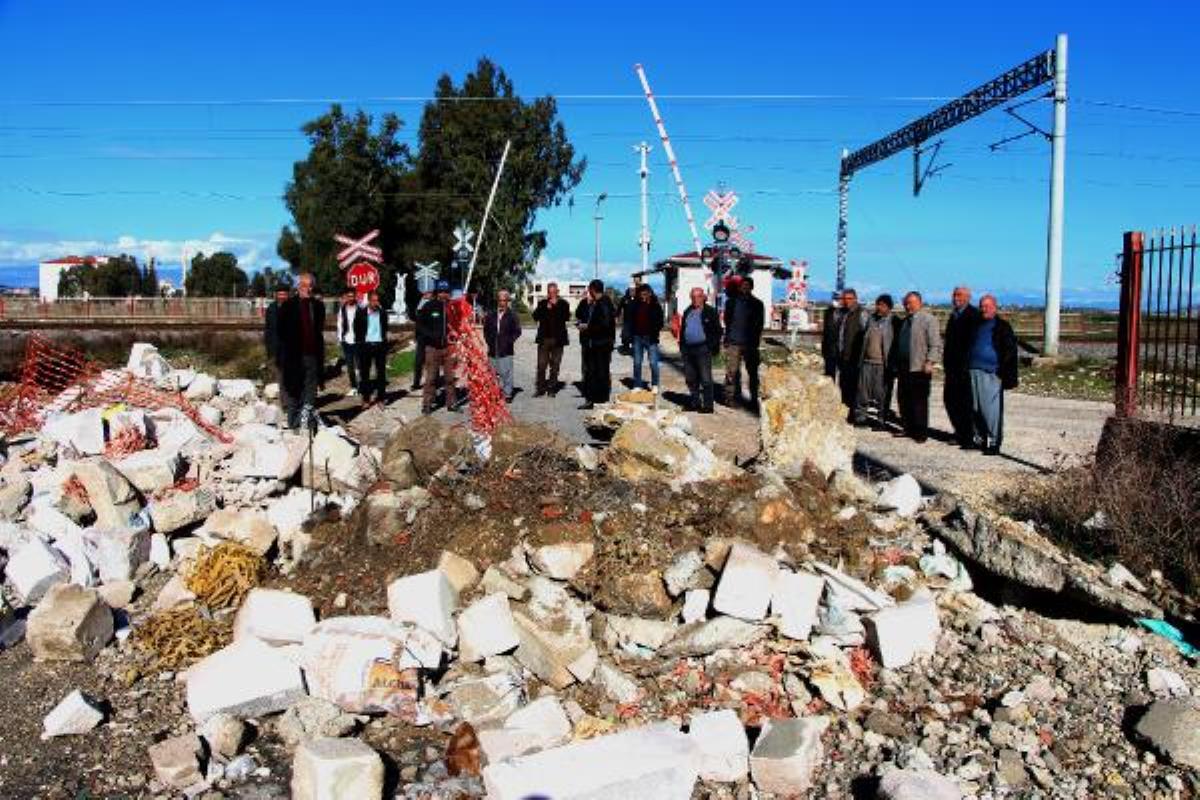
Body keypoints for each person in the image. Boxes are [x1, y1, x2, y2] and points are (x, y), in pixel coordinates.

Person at [968, 294, 1019, 455]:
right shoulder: (975, 325)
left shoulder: (1002, 326)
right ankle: (979, 439)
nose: (985, 309)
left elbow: (1010, 351)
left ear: (995, 307)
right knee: (974, 408)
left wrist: (1003, 371)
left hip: (991, 373)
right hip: (972, 371)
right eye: (982, 306)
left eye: (988, 306)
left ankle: (994, 442)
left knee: (990, 410)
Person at [277, 273, 326, 431]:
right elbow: (281, 332)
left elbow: (318, 332)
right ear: (298, 286)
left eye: (310, 285)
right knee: (294, 389)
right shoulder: (288, 306)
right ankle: (293, 422)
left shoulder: (318, 306)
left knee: (311, 389)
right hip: (294, 356)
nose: (308, 289)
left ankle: (306, 421)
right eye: (304, 285)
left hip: (312, 354)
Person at [892, 291, 941, 443]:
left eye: (911, 303)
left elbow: (935, 344)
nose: (908, 306)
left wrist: (930, 361)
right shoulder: (905, 321)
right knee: (903, 399)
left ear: (919, 303)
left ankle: (920, 433)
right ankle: (908, 428)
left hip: (920, 367)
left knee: (919, 402)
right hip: (904, 367)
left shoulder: (928, 319)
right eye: (906, 303)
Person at [943, 285, 981, 447]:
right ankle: (959, 431)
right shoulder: (954, 315)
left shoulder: (974, 315)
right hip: (951, 368)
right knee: (950, 400)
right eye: (954, 295)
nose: (955, 297)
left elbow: (973, 343)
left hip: (965, 368)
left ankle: (968, 435)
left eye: (959, 295)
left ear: (967, 297)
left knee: (965, 403)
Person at [723, 275, 765, 407]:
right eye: (742, 285)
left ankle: (753, 399)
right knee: (732, 372)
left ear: (751, 287)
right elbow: (727, 320)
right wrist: (727, 338)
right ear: (739, 287)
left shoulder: (757, 304)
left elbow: (759, 324)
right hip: (734, 342)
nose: (744, 287)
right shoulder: (731, 302)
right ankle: (731, 398)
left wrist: (756, 341)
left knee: (752, 372)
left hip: (750, 343)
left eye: (747, 285)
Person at [854, 294, 895, 427]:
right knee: (862, 393)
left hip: (883, 364)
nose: (878, 308)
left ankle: (881, 420)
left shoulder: (895, 322)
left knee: (881, 394)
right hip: (866, 362)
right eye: (878, 304)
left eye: (882, 305)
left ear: (889, 307)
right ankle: (861, 418)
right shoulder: (871, 320)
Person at [680, 286, 722, 413]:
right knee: (690, 378)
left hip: (703, 348)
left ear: (703, 297)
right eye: (693, 297)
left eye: (698, 296)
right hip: (688, 349)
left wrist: (711, 345)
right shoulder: (688, 311)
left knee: (705, 378)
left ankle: (708, 406)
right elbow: (683, 330)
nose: (695, 299)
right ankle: (695, 403)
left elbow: (718, 331)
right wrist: (682, 346)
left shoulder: (710, 311)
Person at [417, 280, 457, 414]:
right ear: (436, 293)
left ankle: (451, 403)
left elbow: (458, 324)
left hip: (448, 348)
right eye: (441, 292)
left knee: (450, 378)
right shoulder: (429, 306)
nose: (443, 295)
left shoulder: (452, 308)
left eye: (446, 292)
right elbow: (420, 325)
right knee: (431, 378)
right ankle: (427, 404)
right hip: (432, 348)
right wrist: (431, 336)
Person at [576, 279, 616, 409]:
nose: (588, 291)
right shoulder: (599, 302)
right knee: (594, 372)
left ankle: (599, 400)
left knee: (599, 372)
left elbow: (605, 325)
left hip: (601, 344)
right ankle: (594, 399)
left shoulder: (604, 303)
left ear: (593, 289)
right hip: (598, 343)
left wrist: (588, 327)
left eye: (589, 289)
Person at [351, 290, 389, 406]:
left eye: (377, 301)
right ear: (369, 301)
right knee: (365, 374)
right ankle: (366, 398)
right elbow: (356, 329)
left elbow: (385, 328)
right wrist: (359, 345)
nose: (375, 303)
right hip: (366, 346)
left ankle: (381, 398)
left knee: (381, 373)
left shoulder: (382, 313)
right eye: (373, 301)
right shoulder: (361, 313)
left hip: (379, 346)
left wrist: (383, 342)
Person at [836, 288, 871, 414]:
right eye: (844, 299)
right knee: (843, 385)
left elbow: (867, 335)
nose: (847, 302)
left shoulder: (862, 313)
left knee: (855, 387)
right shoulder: (842, 314)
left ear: (855, 299)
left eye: (849, 299)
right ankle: (845, 411)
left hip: (855, 357)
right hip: (843, 356)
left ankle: (855, 413)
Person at [484, 289, 522, 402]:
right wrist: (489, 341)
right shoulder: (491, 315)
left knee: (506, 373)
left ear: (507, 301)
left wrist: (509, 341)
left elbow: (517, 331)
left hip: (506, 349)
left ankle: (507, 394)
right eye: (500, 300)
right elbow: (486, 330)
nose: (502, 303)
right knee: (492, 373)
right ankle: (493, 393)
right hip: (493, 348)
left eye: (504, 300)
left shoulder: (512, 315)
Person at [532, 282, 570, 397]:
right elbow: (535, 316)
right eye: (549, 292)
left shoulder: (563, 304)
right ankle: (540, 388)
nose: (551, 294)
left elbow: (566, 317)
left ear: (557, 292)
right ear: (547, 292)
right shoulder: (542, 303)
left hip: (558, 340)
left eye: (554, 292)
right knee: (541, 365)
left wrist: (556, 306)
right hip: (544, 339)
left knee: (555, 366)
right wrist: (544, 308)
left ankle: (552, 389)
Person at [628, 283, 665, 390]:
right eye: (641, 294)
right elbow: (630, 321)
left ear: (650, 294)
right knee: (637, 363)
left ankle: (654, 384)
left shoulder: (655, 306)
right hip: (637, 337)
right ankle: (637, 385)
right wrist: (631, 335)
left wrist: (655, 330)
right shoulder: (635, 305)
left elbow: (660, 322)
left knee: (653, 363)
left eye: (645, 294)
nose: (643, 296)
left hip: (651, 338)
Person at [263, 286, 291, 420]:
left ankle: (294, 400)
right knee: (281, 377)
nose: (282, 296)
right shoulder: (271, 309)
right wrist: (269, 350)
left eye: (284, 294)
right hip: (276, 349)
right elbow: (268, 330)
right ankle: (285, 403)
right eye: (280, 294)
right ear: (276, 295)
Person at [335, 290, 360, 397]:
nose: (350, 298)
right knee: (350, 366)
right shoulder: (343, 309)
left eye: (352, 296)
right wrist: (341, 338)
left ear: (355, 297)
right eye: (348, 296)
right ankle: (354, 387)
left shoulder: (361, 309)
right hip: (346, 340)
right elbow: (339, 324)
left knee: (359, 365)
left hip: (358, 340)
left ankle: (361, 386)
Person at [411, 288, 433, 392]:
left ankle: (433, 381)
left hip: (431, 337)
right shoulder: (419, 304)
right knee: (418, 361)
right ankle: (416, 382)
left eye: (429, 293)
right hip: (421, 337)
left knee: (432, 361)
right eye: (426, 293)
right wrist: (416, 336)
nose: (427, 294)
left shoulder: (433, 305)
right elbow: (417, 321)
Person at [820, 290, 844, 380]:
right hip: (829, 348)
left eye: (839, 299)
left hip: (842, 349)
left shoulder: (846, 313)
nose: (837, 301)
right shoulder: (828, 312)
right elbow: (826, 331)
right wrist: (824, 348)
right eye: (835, 299)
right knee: (829, 374)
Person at [617, 276, 642, 354]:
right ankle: (625, 348)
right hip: (627, 321)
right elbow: (619, 308)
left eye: (633, 290)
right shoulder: (624, 298)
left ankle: (636, 348)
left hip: (636, 321)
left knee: (636, 337)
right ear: (629, 290)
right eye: (631, 290)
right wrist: (616, 315)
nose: (632, 291)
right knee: (625, 336)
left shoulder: (639, 298)